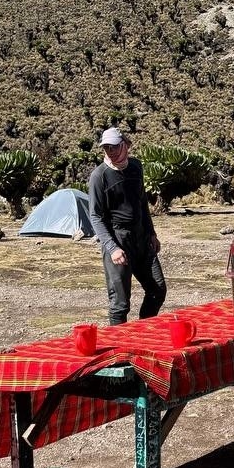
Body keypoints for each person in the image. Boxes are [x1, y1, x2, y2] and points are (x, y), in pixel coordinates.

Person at [88, 127, 166, 325]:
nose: (110, 151)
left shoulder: (136, 167)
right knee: (120, 304)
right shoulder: (99, 176)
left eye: (114, 146)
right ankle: (119, 345)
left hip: (141, 237)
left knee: (157, 290)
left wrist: (151, 233)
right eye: (106, 147)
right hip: (117, 239)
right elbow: (95, 216)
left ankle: (143, 331)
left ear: (125, 145)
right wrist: (112, 248)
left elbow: (142, 202)